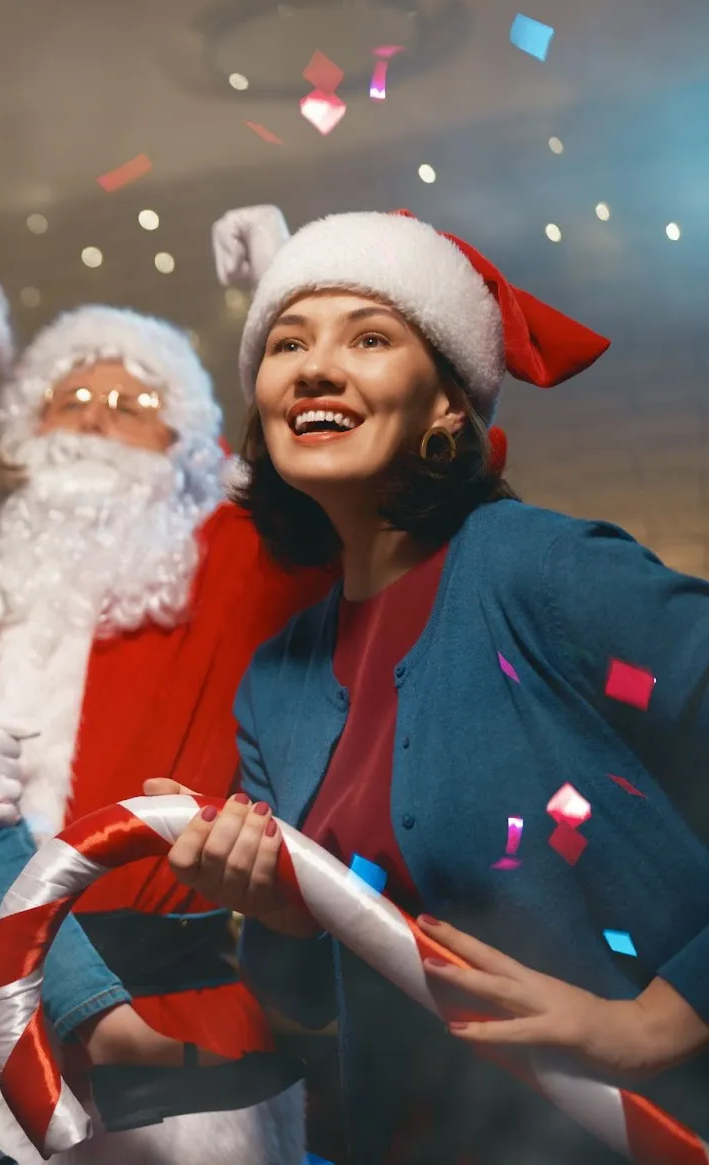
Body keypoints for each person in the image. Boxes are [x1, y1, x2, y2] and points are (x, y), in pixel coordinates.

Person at [155, 205, 709, 1164]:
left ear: (450, 404)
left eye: (370, 337)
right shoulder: (276, 684)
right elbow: (308, 1000)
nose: (317, 366)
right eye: (289, 342)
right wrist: (278, 909)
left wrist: (663, 1017)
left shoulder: (538, 569)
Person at [0, 304, 334, 1164]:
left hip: (165, 1022)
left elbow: (341, 486)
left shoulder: (242, 559)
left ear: (189, 444)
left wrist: (283, 305)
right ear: (25, 423)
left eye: (135, 401)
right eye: (70, 393)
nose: (97, 413)